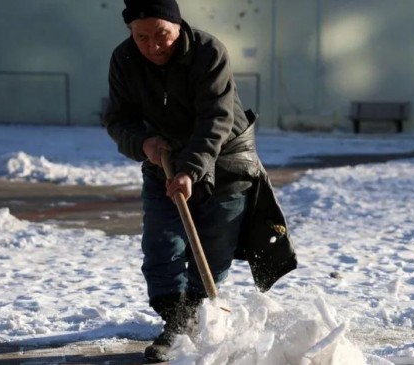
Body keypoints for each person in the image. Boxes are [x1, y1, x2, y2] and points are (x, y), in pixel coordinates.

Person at [105, 0, 297, 362]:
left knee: (212, 251)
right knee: (161, 245)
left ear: (178, 25)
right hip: (161, 160)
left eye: (161, 34)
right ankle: (177, 325)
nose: (153, 46)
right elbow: (118, 119)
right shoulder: (124, 59)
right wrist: (143, 144)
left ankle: (196, 318)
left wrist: (190, 170)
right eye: (141, 37)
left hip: (226, 160)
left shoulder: (208, 52)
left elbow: (216, 119)